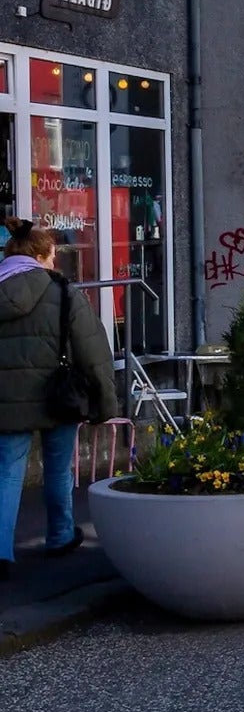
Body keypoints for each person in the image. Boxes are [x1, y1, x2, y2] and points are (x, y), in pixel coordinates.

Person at [0, 219, 117, 580]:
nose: (54, 263)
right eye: (52, 255)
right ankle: (61, 535)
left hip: (6, 399)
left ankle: (2, 551)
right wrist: (105, 403)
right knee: (58, 467)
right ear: (40, 256)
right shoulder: (63, 291)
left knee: (7, 473)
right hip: (58, 395)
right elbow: (93, 349)